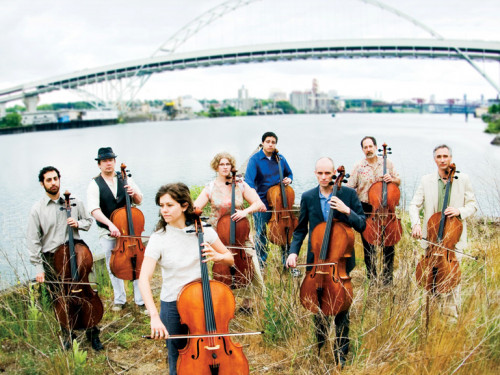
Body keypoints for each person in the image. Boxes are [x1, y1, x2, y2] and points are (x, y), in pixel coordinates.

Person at [138, 183, 234, 375]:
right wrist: (154, 317)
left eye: (169, 205)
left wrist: (218, 257)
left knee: (211, 353)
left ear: (183, 206)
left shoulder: (203, 229)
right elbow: (143, 279)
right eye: (161, 205)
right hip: (173, 305)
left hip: (204, 301)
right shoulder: (159, 238)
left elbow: (230, 258)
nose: (164, 210)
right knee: (179, 360)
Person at [286, 157, 366, 367]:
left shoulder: (347, 194)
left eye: (327, 173)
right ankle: (320, 348)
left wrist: (345, 210)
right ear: (315, 174)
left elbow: (362, 225)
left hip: (340, 264)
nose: (323, 177)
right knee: (318, 308)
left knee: (341, 311)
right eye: (319, 173)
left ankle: (342, 356)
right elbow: (301, 229)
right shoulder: (308, 197)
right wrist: (293, 252)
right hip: (317, 263)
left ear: (333, 174)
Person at [27, 166, 103, 351]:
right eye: (49, 180)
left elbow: (88, 221)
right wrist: (38, 268)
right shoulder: (37, 209)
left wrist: (78, 223)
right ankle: (67, 334)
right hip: (53, 258)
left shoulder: (74, 202)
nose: (53, 183)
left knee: (86, 293)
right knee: (58, 298)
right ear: (42, 183)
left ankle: (92, 332)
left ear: (59, 179)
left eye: (55, 178)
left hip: (77, 254)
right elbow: (33, 240)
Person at [409, 144, 477, 318]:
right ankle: (431, 317)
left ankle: (451, 318)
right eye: (439, 157)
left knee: (451, 283)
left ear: (451, 158)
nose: (442, 160)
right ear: (435, 159)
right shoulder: (426, 180)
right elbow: (414, 205)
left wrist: (459, 211)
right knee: (430, 283)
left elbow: (473, 205)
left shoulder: (463, 179)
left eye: (445, 156)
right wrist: (416, 224)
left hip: (451, 242)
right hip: (431, 240)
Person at [194, 152, 266, 313]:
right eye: (222, 164)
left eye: (228, 164)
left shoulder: (240, 185)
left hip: (241, 232)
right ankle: (224, 300)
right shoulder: (210, 187)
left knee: (249, 262)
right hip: (219, 234)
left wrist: (244, 211)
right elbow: (196, 208)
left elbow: (257, 203)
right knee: (221, 266)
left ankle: (247, 303)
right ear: (216, 167)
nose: (225, 167)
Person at [86, 147, 146, 313]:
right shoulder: (94, 184)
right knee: (113, 265)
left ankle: (140, 300)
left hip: (130, 232)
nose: (108, 163)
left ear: (114, 162)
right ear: (99, 164)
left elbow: (139, 201)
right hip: (107, 231)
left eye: (111, 160)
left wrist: (133, 193)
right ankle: (120, 299)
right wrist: (110, 224)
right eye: (104, 161)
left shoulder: (126, 178)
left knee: (137, 263)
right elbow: (93, 210)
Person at [347, 136, 401, 285]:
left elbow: (399, 181)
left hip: (386, 208)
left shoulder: (387, 163)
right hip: (366, 209)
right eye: (365, 147)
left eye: (371, 146)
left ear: (376, 147)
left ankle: (387, 278)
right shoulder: (358, 166)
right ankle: (372, 278)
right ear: (362, 149)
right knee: (368, 246)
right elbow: (350, 187)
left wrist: (392, 179)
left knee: (389, 245)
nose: (368, 149)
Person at [244, 131, 293, 268]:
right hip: (262, 203)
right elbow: (249, 182)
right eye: (268, 142)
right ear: (263, 143)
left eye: (273, 142)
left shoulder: (280, 158)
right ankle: (261, 263)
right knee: (260, 234)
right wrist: (255, 201)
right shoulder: (255, 160)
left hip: (280, 203)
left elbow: (289, 173)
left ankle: (287, 263)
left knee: (286, 231)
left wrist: (289, 179)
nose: (271, 144)